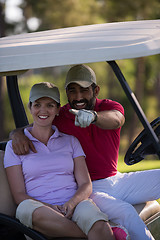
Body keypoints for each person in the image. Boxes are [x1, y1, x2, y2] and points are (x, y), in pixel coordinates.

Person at [10, 64, 160, 239]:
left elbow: (116, 119)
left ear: (95, 90)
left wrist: (94, 118)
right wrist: (16, 133)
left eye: (84, 90)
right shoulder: (61, 116)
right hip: (90, 187)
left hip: (116, 179)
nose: (78, 96)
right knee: (126, 212)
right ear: (66, 93)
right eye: (72, 91)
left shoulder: (109, 107)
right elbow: (35, 125)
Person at [4, 82, 117, 240]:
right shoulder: (14, 146)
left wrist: (71, 204)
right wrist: (50, 208)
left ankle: (98, 230)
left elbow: (85, 184)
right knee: (25, 208)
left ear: (58, 109)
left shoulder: (71, 141)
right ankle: (93, 234)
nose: (43, 111)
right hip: (40, 210)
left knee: (97, 222)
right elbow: (19, 195)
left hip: (74, 205)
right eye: (37, 105)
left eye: (50, 105)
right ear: (30, 107)